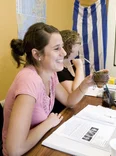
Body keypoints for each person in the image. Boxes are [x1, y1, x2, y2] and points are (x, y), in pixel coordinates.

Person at [2, 22, 104, 156]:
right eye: (57, 48)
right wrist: (48, 123)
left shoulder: (50, 74)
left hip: (38, 144)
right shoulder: (28, 80)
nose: (64, 52)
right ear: (37, 54)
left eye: (62, 47)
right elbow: (14, 150)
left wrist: (86, 84)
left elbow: (69, 100)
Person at [53, 30, 84, 113]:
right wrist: (80, 68)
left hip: (71, 108)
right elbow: (74, 93)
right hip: (62, 112)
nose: (79, 47)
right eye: (78, 43)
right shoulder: (58, 68)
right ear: (69, 46)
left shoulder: (71, 62)